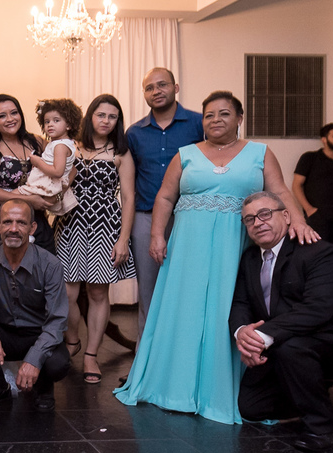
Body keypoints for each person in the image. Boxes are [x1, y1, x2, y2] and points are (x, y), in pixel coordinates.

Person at [114, 91, 317, 425]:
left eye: (224, 113)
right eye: (209, 115)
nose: (215, 120)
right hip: (188, 246)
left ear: (239, 118)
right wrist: (156, 235)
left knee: (228, 308)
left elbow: (280, 191)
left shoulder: (260, 153)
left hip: (235, 245)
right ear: (201, 121)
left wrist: (298, 220)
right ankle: (173, 386)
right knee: (185, 308)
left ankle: (223, 389)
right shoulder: (186, 154)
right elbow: (165, 197)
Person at [232, 192, 333, 451]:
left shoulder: (322, 252)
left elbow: (317, 310)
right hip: (280, 344)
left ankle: (322, 426)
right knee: (251, 407)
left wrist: (260, 338)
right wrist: (242, 332)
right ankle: (309, 389)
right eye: (250, 219)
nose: (258, 222)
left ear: (286, 216)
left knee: (293, 349)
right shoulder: (249, 259)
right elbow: (240, 303)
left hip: (330, 343)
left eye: (265, 214)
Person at [55, 95, 137, 384]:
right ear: (90, 116)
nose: (105, 120)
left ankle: (91, 354)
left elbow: (128, 197)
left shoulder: (121, 152)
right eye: (100, 114)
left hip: (106, 226)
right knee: (66, 293)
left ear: (118, 121)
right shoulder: (70, 146)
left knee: (99, 294)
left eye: (112, 116)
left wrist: (123, 239)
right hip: (70, 224)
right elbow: (55, 181)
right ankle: (73, 339)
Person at [0, 200, 70, 413]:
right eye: (8, 222)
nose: (13, 229)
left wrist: (34, 359)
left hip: (39, 333)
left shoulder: (50, 264)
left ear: (32, 228)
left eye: (21, 223)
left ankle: (44, 387)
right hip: (4, 332)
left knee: (58, 364)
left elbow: (57, 320)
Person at [125, 68, 205, 334]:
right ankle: (145, 361)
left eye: (162, 85)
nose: (156, 91)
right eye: (149, 87)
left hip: (190, 218)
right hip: (145, 219)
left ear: (176, 87)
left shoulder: (199, 123)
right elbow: (129, 179)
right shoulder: (134, 132)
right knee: (148, 292)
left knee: (189, 288)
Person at [0, 95, 55, 252]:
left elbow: (61, 167)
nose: (10, 119)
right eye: (2, 116)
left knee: (44, 269)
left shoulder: (37, 142)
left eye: (14, 113)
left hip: (37, 219)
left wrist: (56, 197)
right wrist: (28, 200)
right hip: (6, 220)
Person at [292, 122, 333, 252]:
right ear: (324, 139)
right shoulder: (309, 158)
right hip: (318, 215)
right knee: (317, 251)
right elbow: (296, 185)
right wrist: (309, 209)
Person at [16, 98, 82, 215]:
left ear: (69, 125)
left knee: (12, 196)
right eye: (47, 122)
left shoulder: (60, 145)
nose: (50, 124)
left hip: (47, 183)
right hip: (49, 183)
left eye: (56, 120)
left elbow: (57, 172)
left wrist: (37, 162)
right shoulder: (63, 143)